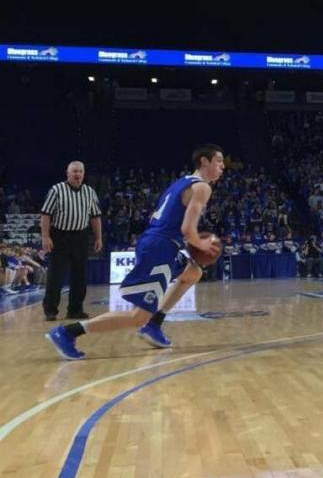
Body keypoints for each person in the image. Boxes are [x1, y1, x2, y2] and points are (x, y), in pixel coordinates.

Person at [45, 145, 225, 360]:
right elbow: (188, 229)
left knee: (192, 272)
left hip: (158, 242)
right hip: (160, 247)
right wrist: (203, 245)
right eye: (219, 161)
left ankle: (154, 324)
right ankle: (67, 332)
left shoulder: (183, 181)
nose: (223, 166)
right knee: (137, 317)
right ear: (204, 162)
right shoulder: (203, 187)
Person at [40, 161, 103, 322]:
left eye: (80, 171)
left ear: (83, 173)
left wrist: (98, 238)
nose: (77, 174)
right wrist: (45, 237)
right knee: (56, 275)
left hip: (80, 236)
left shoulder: (90, 192)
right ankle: (50, 310)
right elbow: (46, 215)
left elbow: (95, 217)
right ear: (67, 173)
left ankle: (75, 309)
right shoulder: (56, 190)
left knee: (80, 275)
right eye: (74, 171)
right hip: (59, 236)